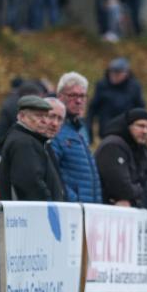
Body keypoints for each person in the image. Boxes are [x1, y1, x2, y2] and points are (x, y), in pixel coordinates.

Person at [0, 95, 65, 201]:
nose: (45, 121)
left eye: (46, 116)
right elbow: (31, 185)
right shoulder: (24, 143)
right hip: (31, 214)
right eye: (38, 116)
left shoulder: (34, 141)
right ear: (21, 116)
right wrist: (50, 206)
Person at [53, 72, 102, 203]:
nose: (79, 100)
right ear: (60, 96)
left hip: (89, 210)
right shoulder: (53, 128)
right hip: (71, 211)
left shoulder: (81, 129)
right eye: (73, 95)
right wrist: (73, 200)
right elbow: (51, 173)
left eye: (82, 96)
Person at [93, 108, 147, 207]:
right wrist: (139, 190)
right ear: (128, 125)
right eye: (141, 126)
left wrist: (133, 199)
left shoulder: (143, 152)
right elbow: (122, 189)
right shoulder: (113, 146)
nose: (145, 131)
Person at [86, 57, 147, 141]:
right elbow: (93, 108)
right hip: (106, 130)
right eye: (112, 72)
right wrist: (89, 128)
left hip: (127, 131)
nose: (114, 76)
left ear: (126, 74)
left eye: (118, 73)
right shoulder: (102, 86)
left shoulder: (134, 87)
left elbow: (141, 109)